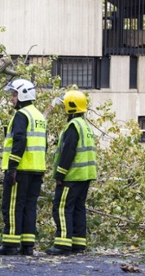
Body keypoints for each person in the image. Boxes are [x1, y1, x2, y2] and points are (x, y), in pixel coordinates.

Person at [0, 79, 47, 256]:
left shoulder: (21, 115)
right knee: (29, 207)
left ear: (23, 94)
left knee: (13, 206)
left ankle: (10, 245)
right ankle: (27, 245)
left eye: (14, 95)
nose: (12, 99)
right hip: (37, 168)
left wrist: (12, 167)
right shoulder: (39, 116)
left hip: (21, 168)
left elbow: (19, 141)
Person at [46, 91, 97, 256]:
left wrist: (60, 175)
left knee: (61, 208)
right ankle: (78, 243)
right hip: (85, 175)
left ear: (71, 106)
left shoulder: (73, 126)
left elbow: (68, 152)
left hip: (72, 176)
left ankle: (63, 244)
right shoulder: (85, 127)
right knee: (78, 208)